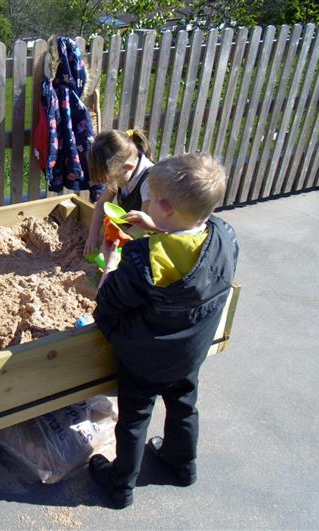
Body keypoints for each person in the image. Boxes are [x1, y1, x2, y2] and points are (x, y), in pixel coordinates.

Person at [88, 152, 239, 508]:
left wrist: (112, 264)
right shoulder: (223, 235)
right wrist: (159, 230)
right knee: (184, 404)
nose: (148, 204)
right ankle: (181, 464)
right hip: (190, 350)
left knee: (135, 417)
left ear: (166, 207)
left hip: (146, 359)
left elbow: (110, 301)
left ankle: (121, 484)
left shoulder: (144, 259)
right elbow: (189, 255)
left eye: (152, 200)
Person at [83, 129, 154, 256]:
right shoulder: (120, 169)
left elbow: (144, 226)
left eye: (110, 179)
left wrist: (117, 243)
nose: (109, 184)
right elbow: (101, 205)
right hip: (129, 232)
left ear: (128, 167)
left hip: (150, 240)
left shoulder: (149, 182)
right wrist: (92, 235)